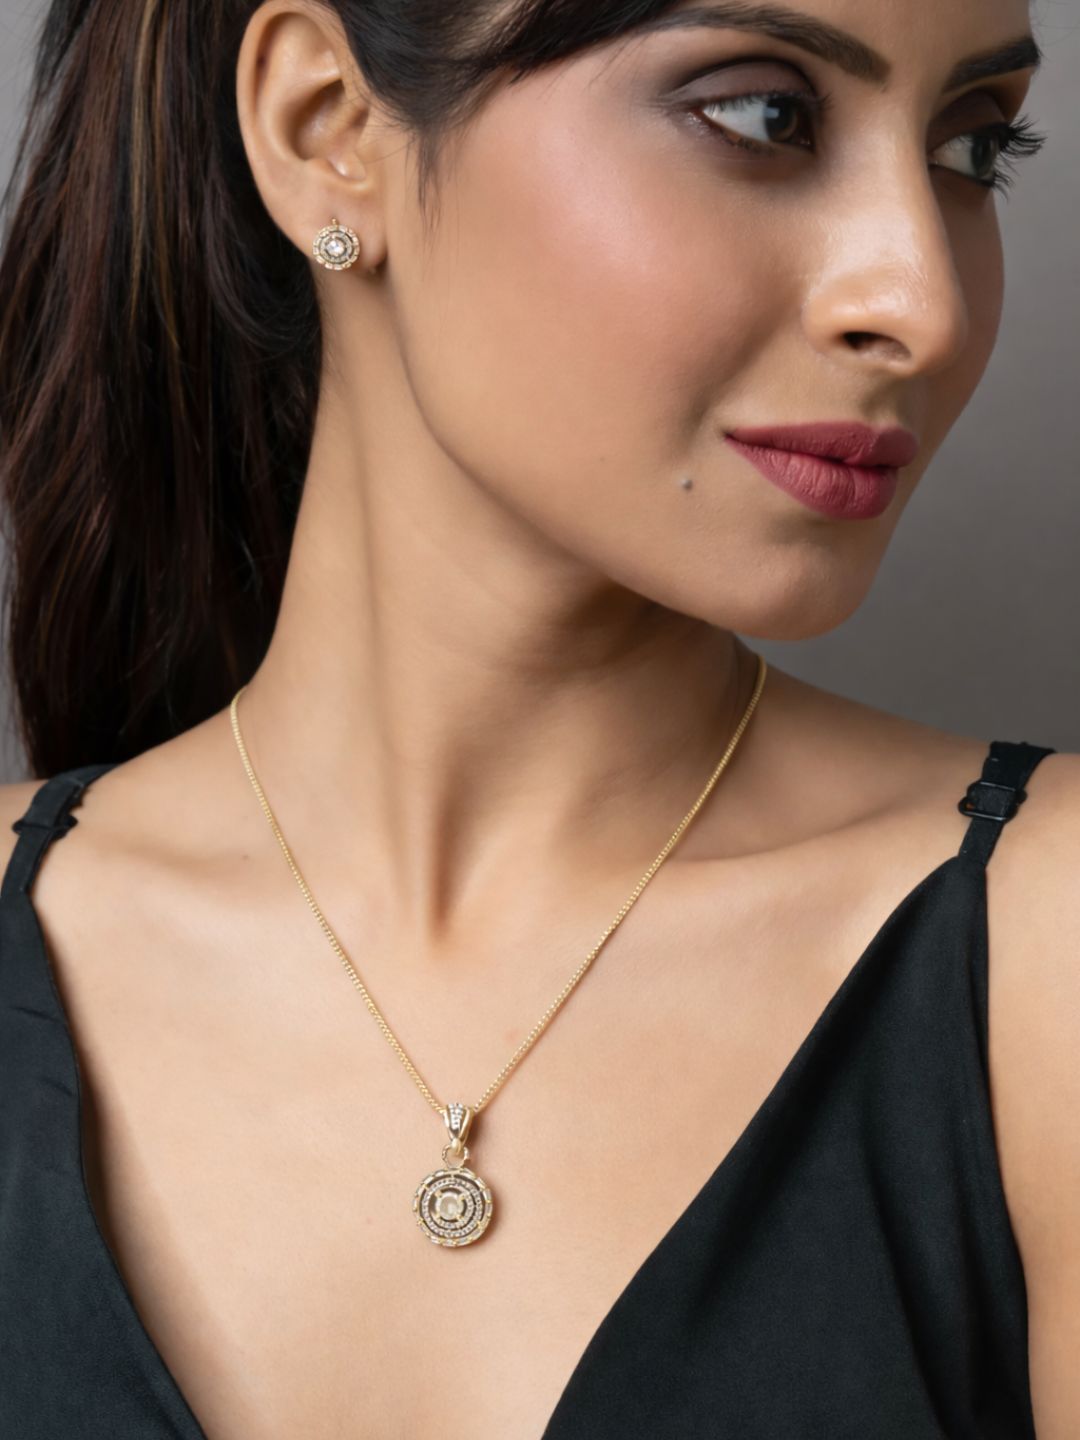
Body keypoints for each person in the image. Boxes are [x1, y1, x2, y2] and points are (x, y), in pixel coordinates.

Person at [0, 0, 1075, 1435]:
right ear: (329, 133)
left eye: (971, 150)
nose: (921, 304)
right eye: (765, 116)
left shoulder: (1048, 960)